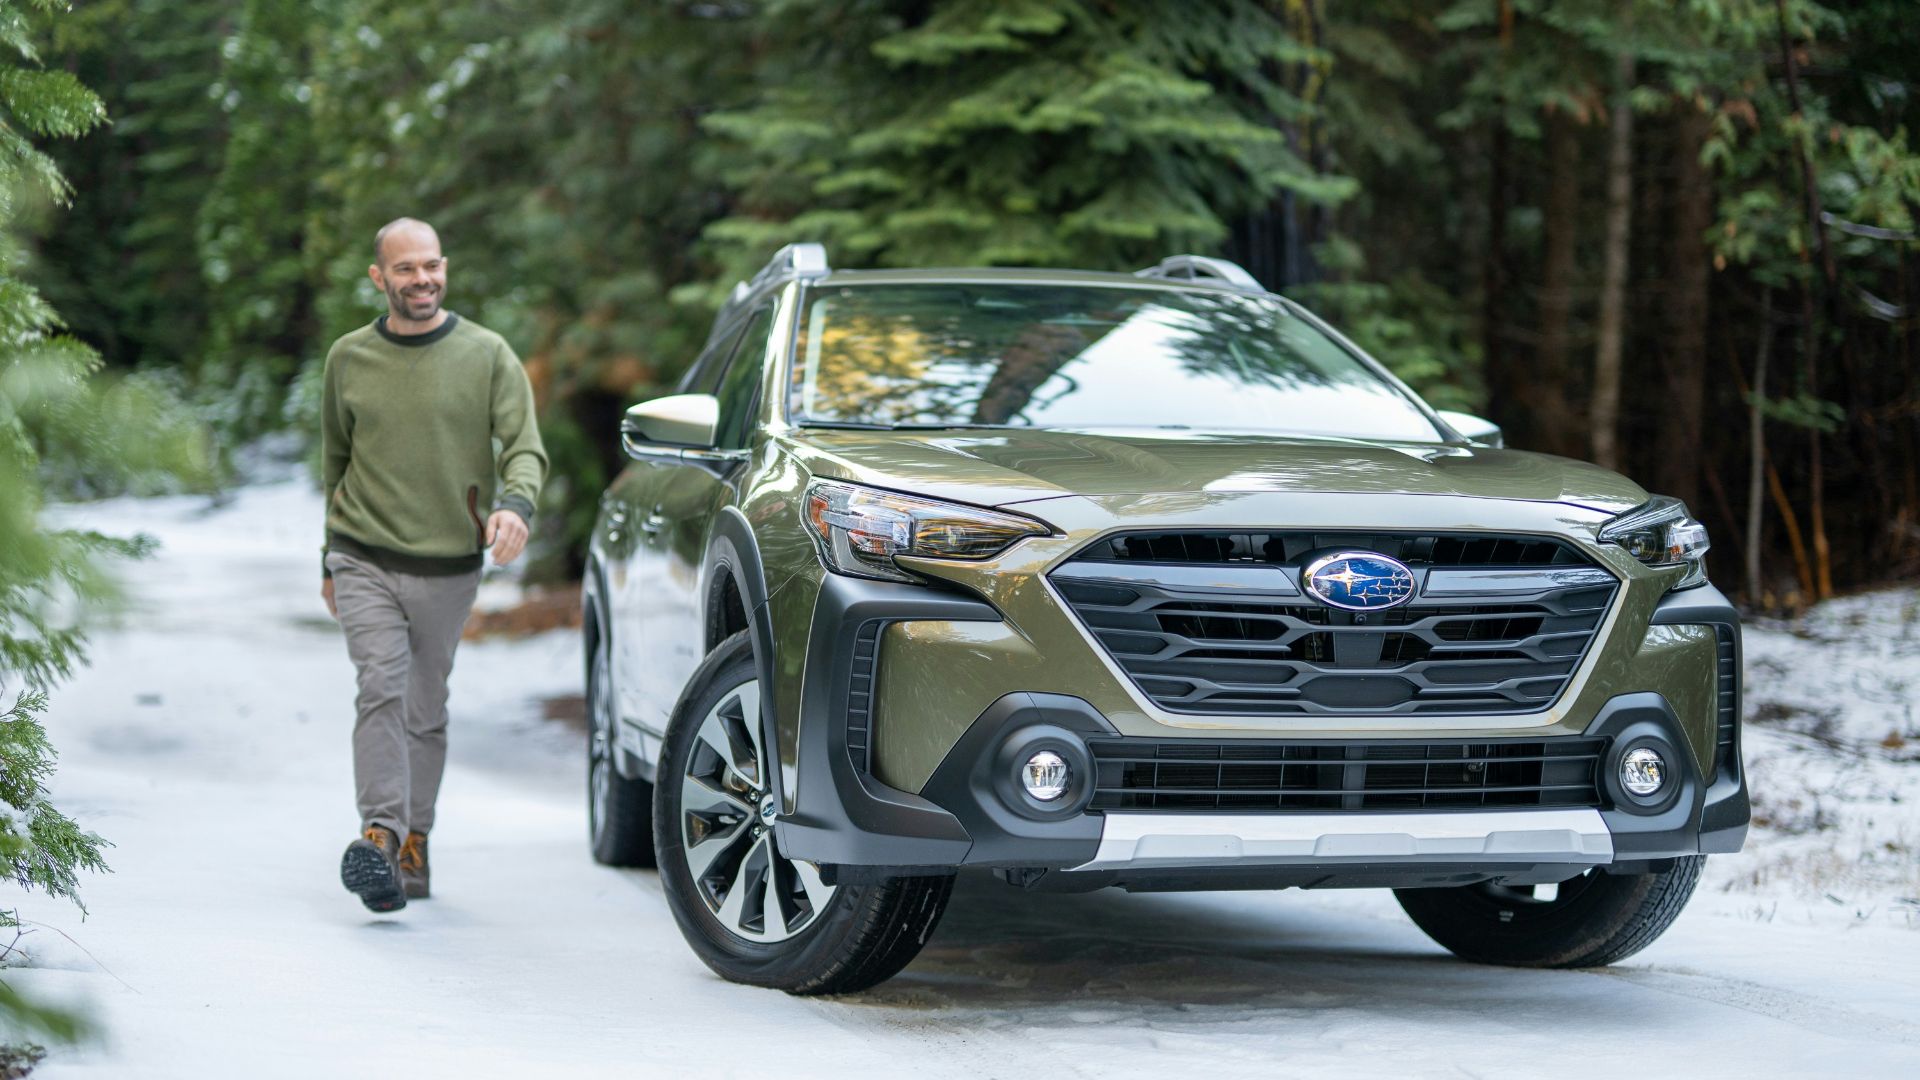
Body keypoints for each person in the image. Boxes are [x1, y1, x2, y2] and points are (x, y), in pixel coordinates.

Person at [320, 217, 547, 912]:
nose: (422, 279)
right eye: (406, 269)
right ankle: (380, 835)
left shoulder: (486, 354)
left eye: (432, 266)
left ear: (444, 267)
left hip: (449, 564)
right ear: (379, 278)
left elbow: (524, 447)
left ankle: (414, 844)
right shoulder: (348, 359)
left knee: (424, 707)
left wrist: (515, 507)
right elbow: (336, 461)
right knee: (380, 688)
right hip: (362, 554)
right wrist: (326, 560)